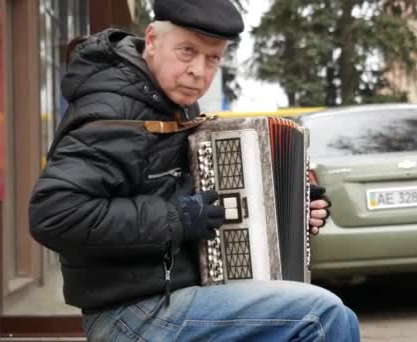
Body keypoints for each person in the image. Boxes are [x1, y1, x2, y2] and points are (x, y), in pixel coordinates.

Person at [29, 0, 360, 340]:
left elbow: (205, 199)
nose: (198, 71)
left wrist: (288, 210)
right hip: (132, 312)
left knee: (332, 314)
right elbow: (54, 214)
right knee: (322, 317)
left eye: (213, 58)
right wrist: (178, 217)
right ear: (153, 40)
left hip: (173, 294)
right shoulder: (111, 110)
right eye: (187, 51)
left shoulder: (170, 102)